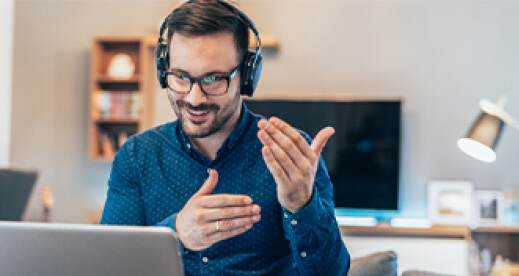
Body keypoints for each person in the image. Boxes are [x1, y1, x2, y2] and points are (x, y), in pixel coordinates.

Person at [100, 0, 350, 275]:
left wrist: (302, 204)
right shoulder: (137, 156)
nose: (194, 98)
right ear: (164, 71)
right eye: (181, 77)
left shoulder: (290, 154)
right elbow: (110, 265)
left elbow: (331, 272)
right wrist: (175, 234)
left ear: (246, 76)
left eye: (213, 79)